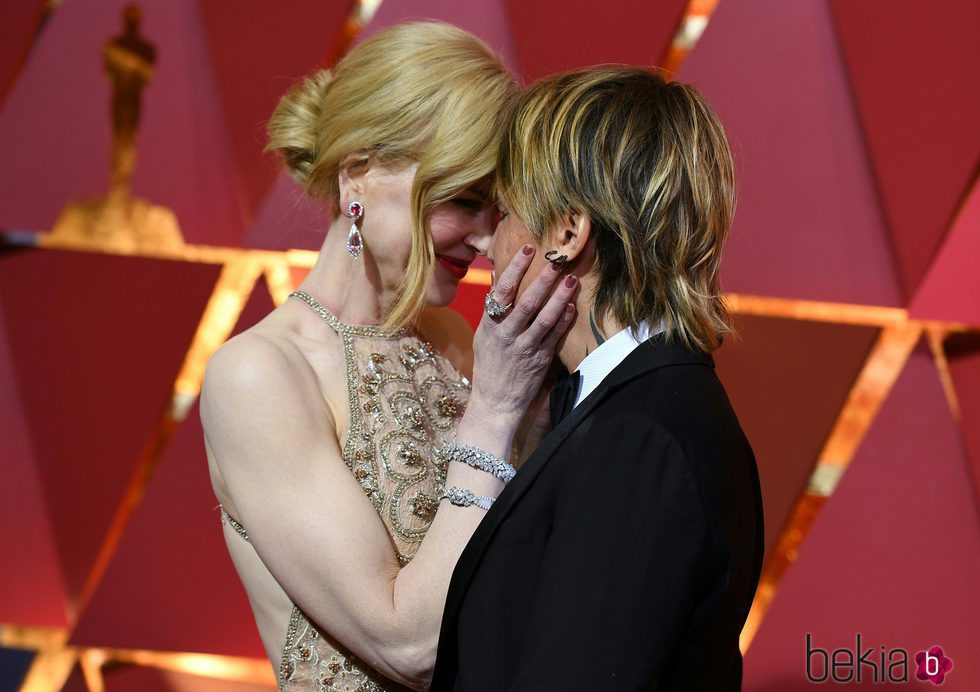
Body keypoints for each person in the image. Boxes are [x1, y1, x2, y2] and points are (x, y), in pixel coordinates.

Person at [200, 22, 577, 691]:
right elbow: (406, 645)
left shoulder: (463, 344)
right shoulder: (257, 375)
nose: (489, 241)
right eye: (464, 201)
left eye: (498, 209)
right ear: (358, 174)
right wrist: (493, 412)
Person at [431, 66, 766, 691]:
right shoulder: (630, 410)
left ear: (567, 232)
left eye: (504, 211)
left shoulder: (638, 439)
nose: (487, 244)